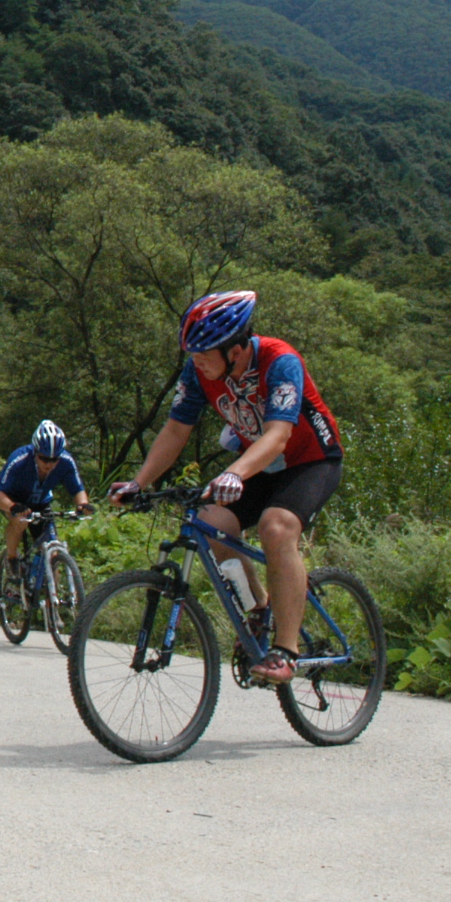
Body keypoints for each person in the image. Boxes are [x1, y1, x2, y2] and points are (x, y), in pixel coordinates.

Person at [113, 290, 342, 685]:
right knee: (210, 524)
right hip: (259, 463)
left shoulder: (280, 361)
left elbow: (278, 435)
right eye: (193, 353)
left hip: (310, 461)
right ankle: (258, 608)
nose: (196, 361)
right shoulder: (199, 372)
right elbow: (175, 430)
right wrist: (139, 481)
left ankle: (286, 650)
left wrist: (234, 472)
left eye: (204, 353)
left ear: (235, 350)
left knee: (276, 526)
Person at [0, 419, 91, 589]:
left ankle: (53, 604)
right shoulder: (19, 459)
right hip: (14, 500)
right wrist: (13, 507)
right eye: (44, 459)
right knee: (21, 522)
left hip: (41, 503)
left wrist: (83, 505)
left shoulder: (67, 461)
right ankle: (11, 558)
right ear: (35, 452)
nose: (49, 464)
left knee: (53, 551)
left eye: (54, 459)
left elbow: (77, 489)